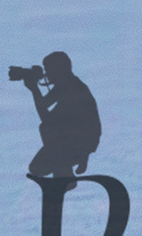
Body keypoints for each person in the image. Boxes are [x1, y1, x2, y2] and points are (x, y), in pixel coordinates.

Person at [15, 51, 102, 181]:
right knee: (36, 168)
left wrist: (34, 89)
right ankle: (76, 159)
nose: (47, 74)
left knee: (47, 128)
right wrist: (33, 86)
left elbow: (47, 119)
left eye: (48, 69)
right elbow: (45, 103)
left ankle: (65, 175)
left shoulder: (73, 89)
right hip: (76, 137)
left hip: (81, 139)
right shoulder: (67, 84)